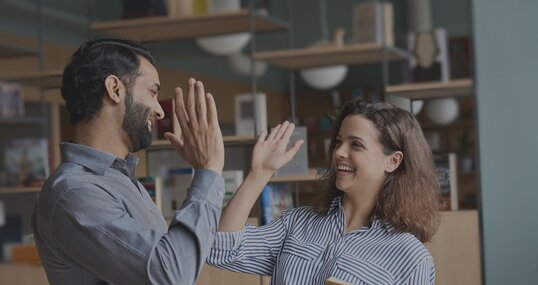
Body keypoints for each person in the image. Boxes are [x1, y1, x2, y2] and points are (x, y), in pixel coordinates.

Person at [32, 38, 226, 284]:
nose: (160, 110)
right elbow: (169, 276)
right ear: (115, 89)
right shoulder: (74, 191)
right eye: (152, 92)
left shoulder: (121, 180)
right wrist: (208, 170)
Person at [207, 98, 441, 284]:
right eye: (338, 142)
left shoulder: (410, 257)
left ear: (393, 161)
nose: (339, 153)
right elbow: (221, 249)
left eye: (356, 144)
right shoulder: (297, 223)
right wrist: (259, 174)